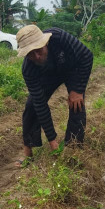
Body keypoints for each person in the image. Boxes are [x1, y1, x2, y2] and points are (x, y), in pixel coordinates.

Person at [15, 24, 94, 166]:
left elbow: (87, 56)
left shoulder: (60, 37)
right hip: (47, 76)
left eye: (38, 50)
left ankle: (73, 147)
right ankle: (28, 151)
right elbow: (41, 105)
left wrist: (78, 90)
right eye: (30, 54)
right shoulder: (29, 69)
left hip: (71, 69)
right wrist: (52, 140)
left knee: (77, 105)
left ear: (45, 43)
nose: (36, 56)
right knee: (32, 106)